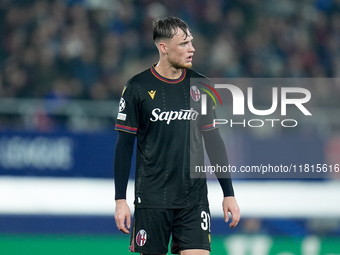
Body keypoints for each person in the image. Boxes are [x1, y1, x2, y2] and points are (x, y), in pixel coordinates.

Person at [114, 16, 240, 255]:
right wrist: (120, 199)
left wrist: (228, 193)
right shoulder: (137, 87)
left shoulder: (201, 85)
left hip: (193, 199)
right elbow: (124, 147)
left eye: (191, 42)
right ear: (163, 47)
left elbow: (213, 141)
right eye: (183, 43)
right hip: (152, 200)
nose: (192, 48)